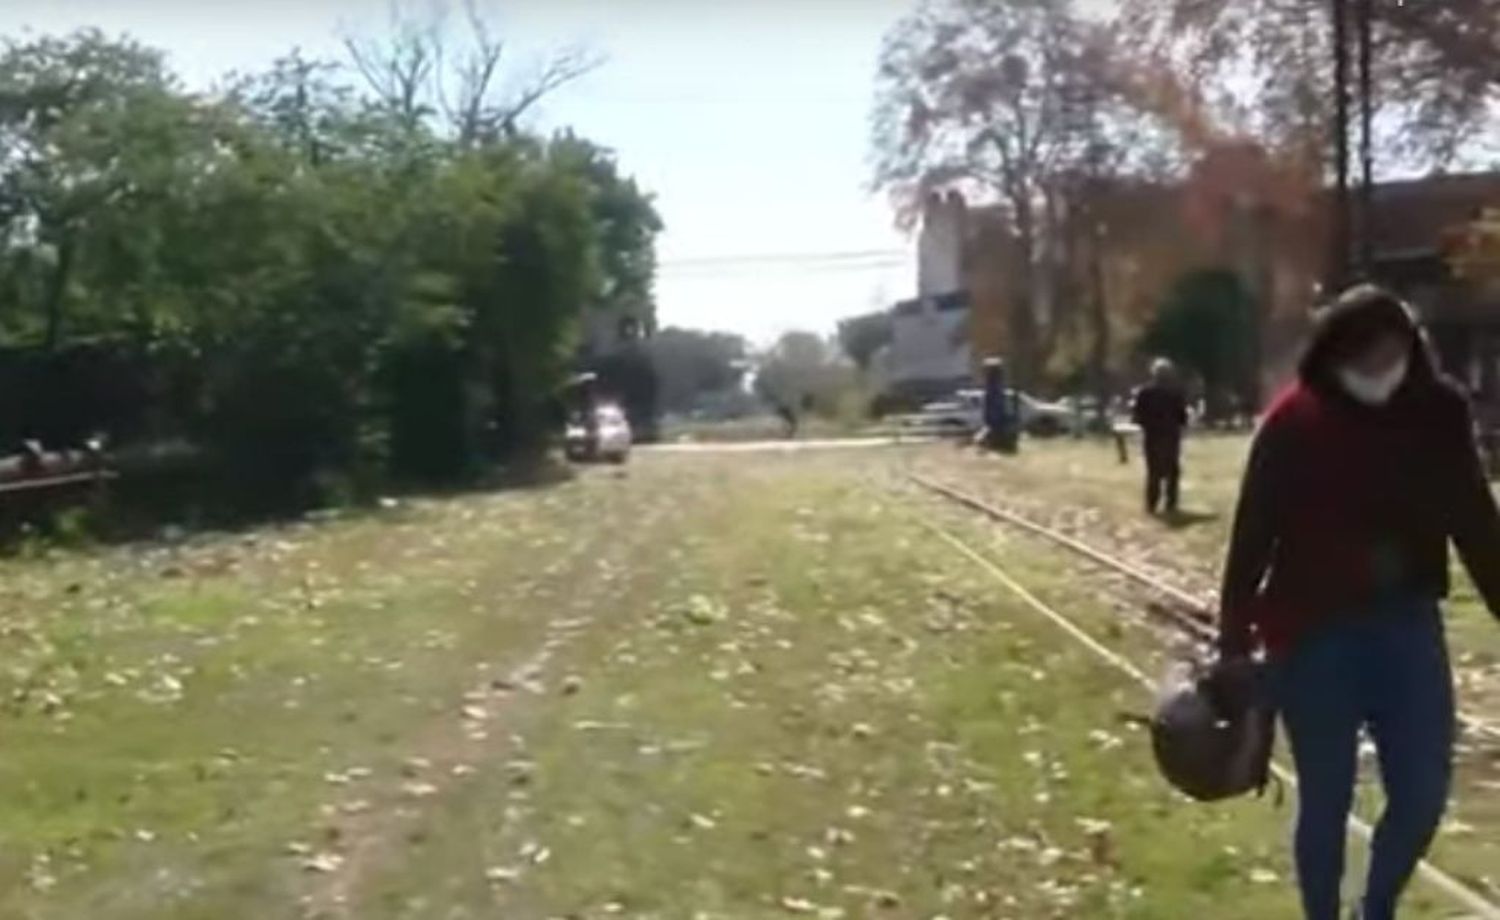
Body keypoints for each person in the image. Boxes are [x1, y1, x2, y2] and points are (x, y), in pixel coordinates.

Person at [1215, 285, 1500, 920]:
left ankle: (1377, 906)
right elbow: (1252, 537)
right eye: (1368, 356)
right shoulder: (1294, 423)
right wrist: (1233, 642)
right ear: (1337, 353)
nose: (1382, 369)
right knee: (1325, 799)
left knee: (1423, 792)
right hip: (1315, 636)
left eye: (1394, 353)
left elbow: (1476, 524)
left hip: (1408, 630)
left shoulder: (1438, 415)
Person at [1131, 358, 1189, 515]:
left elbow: (1137, 417)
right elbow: (1182, 417)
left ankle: (1152, 504)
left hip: (1152, 436)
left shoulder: (1144, 393)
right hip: (1171, 436)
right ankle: (1171, 504)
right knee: (1172, 471)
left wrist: (1147, 424)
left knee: (1153, 471)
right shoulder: (1176, 393)